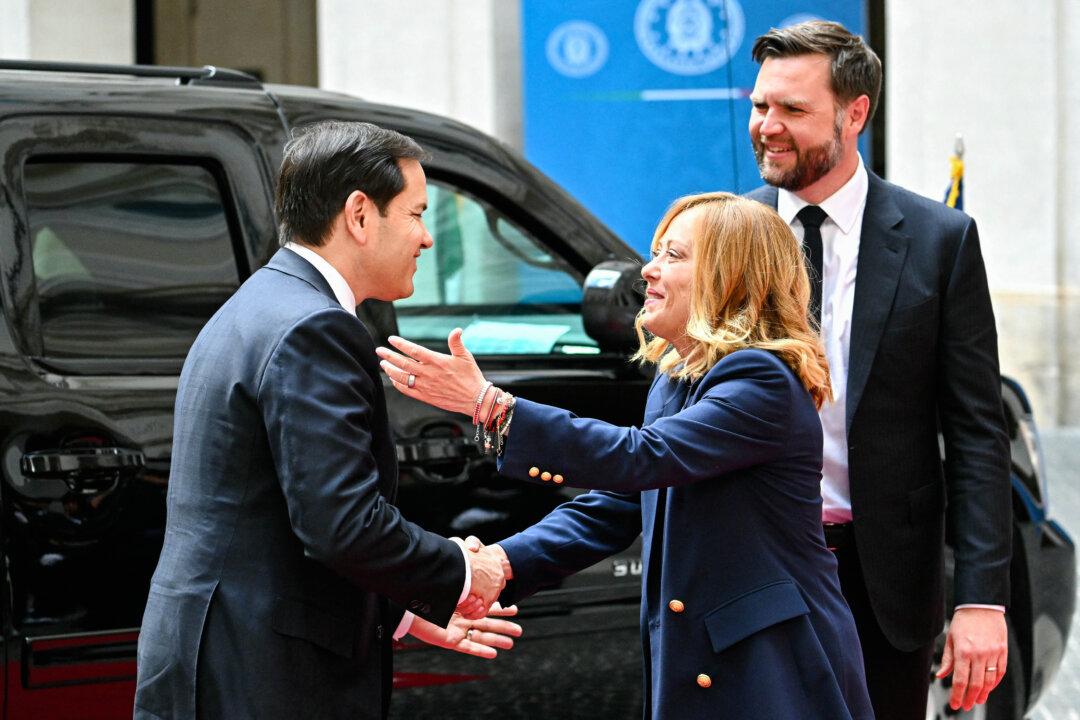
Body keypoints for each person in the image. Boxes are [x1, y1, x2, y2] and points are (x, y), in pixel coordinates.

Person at [378, 192, 875, 720]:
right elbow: (618, 502)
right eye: (656, 253)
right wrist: (501, 564)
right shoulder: (678, 377)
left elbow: (642, 457)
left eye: (674, 256)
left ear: (731, 276)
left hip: (772, 670)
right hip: (705, 663)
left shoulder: (759, 379)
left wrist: (492, 406)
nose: (649, 271)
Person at [134, 121, 518, 720]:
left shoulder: (259, 303)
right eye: (417, 214)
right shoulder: (317, 327)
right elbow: (339, 522)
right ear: (359, 215)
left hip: (218, 654)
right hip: (265, 675)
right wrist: (465, 570)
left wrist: (404, 608)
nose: (427, 239)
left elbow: (280, 517)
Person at [744, 20, 1012, 719]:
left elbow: (979, 433)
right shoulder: (727, 237)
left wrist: (981, 598)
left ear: (854, 113)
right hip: (755, 564)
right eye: (759, 105)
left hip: (885, 579)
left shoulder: (939, 241)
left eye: (792, 111)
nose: (767, 127)